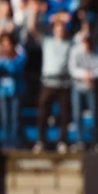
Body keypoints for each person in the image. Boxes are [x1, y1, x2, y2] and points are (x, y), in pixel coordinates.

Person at [30, 14, 73, 153]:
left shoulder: (70, 43)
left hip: (64, 83)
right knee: (43, 113)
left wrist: (76, 17)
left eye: (62, 29)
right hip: (48, 83)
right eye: (57, 29)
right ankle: (41, 140)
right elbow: (32, 29)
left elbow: (85, 34)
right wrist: (34, 12)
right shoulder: (47, 42)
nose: (60, 31)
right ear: (53, 30)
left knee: (64, 114)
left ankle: (62, 141)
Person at [68, 32, 98, 149]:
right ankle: (79, 140)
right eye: (85, 42)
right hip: (78, 87)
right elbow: (72, 69)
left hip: (93, 87)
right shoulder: (75, 51)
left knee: (95, 115)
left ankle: (96, 140)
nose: (87, 45)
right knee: (77, 114)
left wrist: (92, 75)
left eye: (89, 42)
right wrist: (84, 75)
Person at [0, 33, 27, 148]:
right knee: (4, 118)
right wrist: (2, 59)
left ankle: (14, 141)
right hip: (2, 91)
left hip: (15, 91)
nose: (6, 47)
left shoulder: (19, 56)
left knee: (15, 117)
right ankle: (6, 142)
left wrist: (7, 59)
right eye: (4, 45)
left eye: (8, 44)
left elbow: (14, 69)